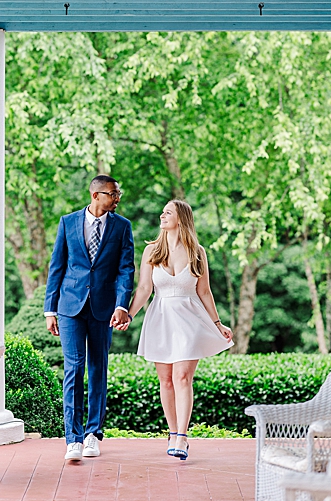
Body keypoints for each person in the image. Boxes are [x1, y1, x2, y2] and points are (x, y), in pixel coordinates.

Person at [118, 199, 233, 461]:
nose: (162, 215)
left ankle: (182, 435)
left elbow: (204, 291)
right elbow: (145, 289)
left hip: (190, 319)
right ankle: (172, 432)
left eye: (167, 212)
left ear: (180, 218)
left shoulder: (197, 252)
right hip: (160, 319)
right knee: (166, 380)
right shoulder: (151, 251)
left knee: (182, 377)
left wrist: (217, 324)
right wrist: (129, 315)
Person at [44, 175, 135, 461]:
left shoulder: (122, 227)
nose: (117, 197)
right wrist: (50, 309)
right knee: (73, 369)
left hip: (103, 308)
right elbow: (56, 266)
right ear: (96, 194)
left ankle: (93, 434)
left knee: (98, 368)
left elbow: (126, 270)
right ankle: (72, 438)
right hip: (70, 306)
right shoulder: (68, 222)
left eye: (117, 193)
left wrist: (122, 305)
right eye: (113, 193)